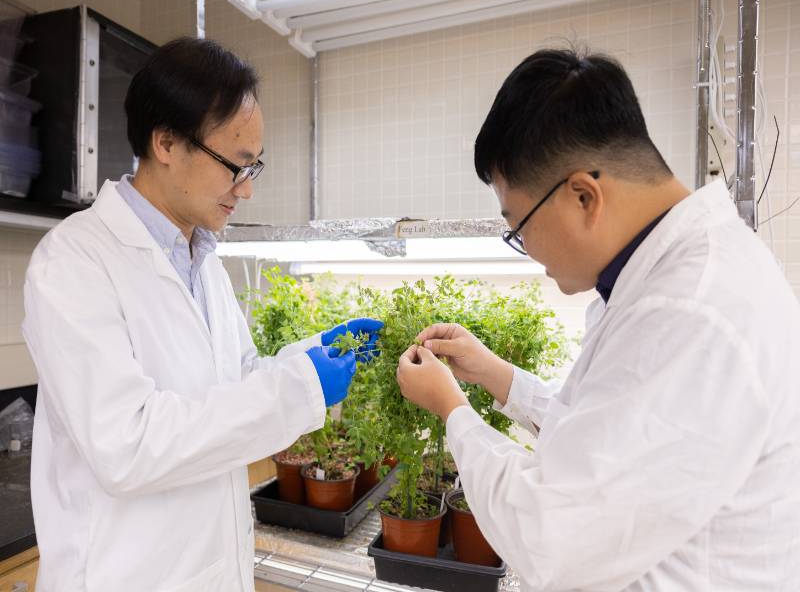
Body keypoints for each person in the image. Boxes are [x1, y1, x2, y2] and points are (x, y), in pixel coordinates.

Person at [396, 48, 800, 590]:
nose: (528, 252)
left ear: (583, 195)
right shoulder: (676, 277)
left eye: (518, 228)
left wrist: (452, 409)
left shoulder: (691, 309)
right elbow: (600, 444)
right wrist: (495, 374)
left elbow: (552, 535)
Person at [22, 37, 382, 592]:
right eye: (235, 165)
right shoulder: (74, 261)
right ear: (166, 141)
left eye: (253, 166)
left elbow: (230, 384)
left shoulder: (203, 261)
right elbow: (128, 446)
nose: (248, 190)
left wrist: (306, 358)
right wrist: (298, 389)